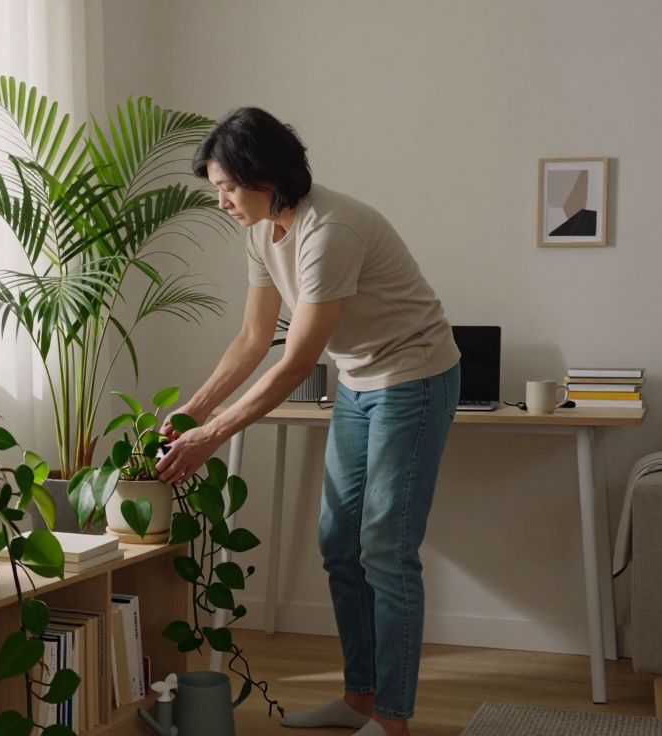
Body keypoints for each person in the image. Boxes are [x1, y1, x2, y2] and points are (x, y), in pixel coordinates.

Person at [154, 107, 461, 736]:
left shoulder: (331, 230)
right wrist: (197, 406)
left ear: (267, 174)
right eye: (216, 189)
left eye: (229, 187)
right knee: (337, 543)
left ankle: (393, 720)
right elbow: (252, 336)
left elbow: (296, 361)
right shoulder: (263, 233)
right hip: (358, 381)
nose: (222, 202)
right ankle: (358, 702)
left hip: (416, 377)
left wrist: (212, 436)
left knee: (387, 548)